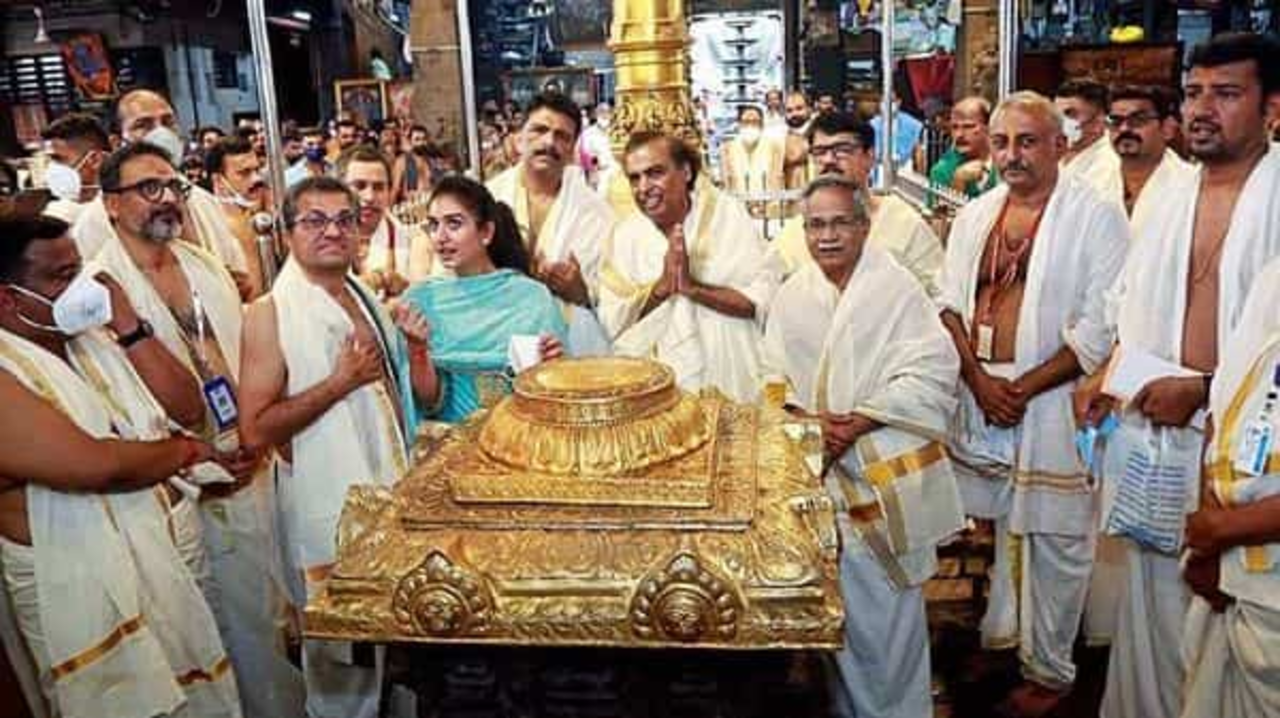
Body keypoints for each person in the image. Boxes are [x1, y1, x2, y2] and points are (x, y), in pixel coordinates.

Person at [1073, 33, 1280, 718]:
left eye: (1226, 94)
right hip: (1154, 433)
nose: (1202, 109)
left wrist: (1203, 389)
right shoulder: (1169, 195)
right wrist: (1107, 373)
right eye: (1194, 93)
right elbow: (1132, 301)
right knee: (1152, 612)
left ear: (1272, 106)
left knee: (1219, 633)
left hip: (1243, 455)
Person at [88, 142, 306, 718]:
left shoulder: (204, 264)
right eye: (148, 189)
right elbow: (113, 404)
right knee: (208, 627)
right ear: (111, 204)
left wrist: (255, 431)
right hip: (177, 485)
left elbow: (246, 357)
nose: (167, 200)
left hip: (249, 462)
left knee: (269, 615)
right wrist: (194, 459)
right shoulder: (97, 288)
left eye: (174, 187)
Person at [0, 212, 240, 718]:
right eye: (62, 277)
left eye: (79, 268)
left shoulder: (92, 340)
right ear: (8, 299)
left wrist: (129, 325)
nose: (81, 285)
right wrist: (188, 452)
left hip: (161, 558)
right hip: (80, 592)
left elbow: (188, 409)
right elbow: (92, 464)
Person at [938, 91, 1128, 717]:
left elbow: (1102, 323)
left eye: (1027, 141)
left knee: (1055, 538)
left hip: (1049, 403)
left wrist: (1024, 386)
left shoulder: (1096, 216)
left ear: (1059, 145)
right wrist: (978, 380)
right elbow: (948, 304)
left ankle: (1051, 673)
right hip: (985, 394)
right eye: (1001, 142)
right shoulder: (977, 214)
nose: (1012, 155)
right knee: (997, 528)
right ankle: (1006, 637)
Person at [762, 176, 965, 718]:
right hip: (820, 484)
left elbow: (933, 371)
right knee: (840, 628)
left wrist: (857, 423)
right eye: (815, 224)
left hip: (882, 482)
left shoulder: (895, 290)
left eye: (838, 222)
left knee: (889, 632)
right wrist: (808, 424)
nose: (826, 236)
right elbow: (770, 379)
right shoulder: (793, 294)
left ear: (863, 225)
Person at [238, 177, 427, 718]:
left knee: (395, 659)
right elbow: (255, 430)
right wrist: (338, 383)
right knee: (342, 674)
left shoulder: (364, 294)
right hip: (325, 513)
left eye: (345, 219)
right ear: (288, 232)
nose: (333, 231)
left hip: (385, 501)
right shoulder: (269, 314)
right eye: (315, 221)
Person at [599, 133, 777, 403]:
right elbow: (612, 321)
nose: (644, 187)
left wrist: (693, 288)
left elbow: (762, 299)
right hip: (654, 389)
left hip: (731, 374)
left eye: (655, 173)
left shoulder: (727, 217)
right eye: (634, 178)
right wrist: (660, 289)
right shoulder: (625, 238)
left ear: (685, 171)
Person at [1180, 258, 1280, 718]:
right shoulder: (1273, 277)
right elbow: (1226, 394)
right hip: (1233, 566)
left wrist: (1225, 530)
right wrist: (1212, 538)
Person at [400, 176, 565, 422]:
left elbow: (555, 394)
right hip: (449, 447)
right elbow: (428, 402)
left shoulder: (531, 298)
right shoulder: (422, 300)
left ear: (486, 232)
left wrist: (552, 366)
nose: (440, 237)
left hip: (520, 439)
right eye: (433, 225)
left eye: (454, 224)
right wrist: (417, 350)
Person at [72, 90, 251, 291]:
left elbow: (236, 271)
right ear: (116, 143)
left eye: (168, 122)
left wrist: (232, 286)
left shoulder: (204, 201)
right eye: (143, 125)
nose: (161, 133)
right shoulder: (94, 223)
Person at [487, 92, 615, 356]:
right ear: (519, 137)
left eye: (562, 136)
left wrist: (581, 292)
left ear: (572, 148)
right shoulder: (487, 198)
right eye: (540, 130)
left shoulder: (595, 214)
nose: (549, 142)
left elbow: (613, 298)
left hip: (568, 345)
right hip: (495, 337)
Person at [769, 112, 944, 296]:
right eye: (819, 152)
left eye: (842, 149)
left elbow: (938, 296)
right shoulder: (793, 232)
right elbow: (767, 293)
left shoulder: (904, 224)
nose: (829, 160)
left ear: (869, 157)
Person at [338, 145, 436, 298]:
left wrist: (404, 289)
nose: (369, 197)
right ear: (339, 189)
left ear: (389, 191)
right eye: (359, 186)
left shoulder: (413, 242)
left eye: (378, 187)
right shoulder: (317, 244)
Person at [1098, 84, 1193, 223]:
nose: (1124, 129)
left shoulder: (1191, 185)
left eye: (1138, 120)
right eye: (1116, 122)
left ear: (1168, 128)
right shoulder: (1092, 181)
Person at [206, 136, 271, 299]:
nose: (256, 179)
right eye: (245, 173)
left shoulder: (261, 218)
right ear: (218, 181)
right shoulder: (212, 227)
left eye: (257, 170)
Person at [40, 112, 110, 224]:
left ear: (95, 160)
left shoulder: (122, 211)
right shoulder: (53, 214)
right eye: (48, 160)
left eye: (58, 159)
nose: (51, 167)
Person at [1055, 78, 1121, 194]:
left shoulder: (1110, 165)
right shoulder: (1055, 155)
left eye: (1070, 114)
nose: (1061, 122)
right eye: (1056, 114)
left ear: (1098, 121)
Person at [929, 96, 998, 199]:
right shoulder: (941, 171)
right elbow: (938, 214)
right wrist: (957, 183)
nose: (959, 134)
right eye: (954, 127)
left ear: (989, 127)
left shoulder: (1006, 163)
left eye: (968, 126)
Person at [719, 105, 785, 196]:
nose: (750, 125)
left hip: (768, 203)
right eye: (746, 122)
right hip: (736, 204)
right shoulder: (727, 148)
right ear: (739, 124)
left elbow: (776, 179)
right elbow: (726, 182)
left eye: (755, 122)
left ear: (762, 124)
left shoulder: (775, 146)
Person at [781, 91, 814, 191]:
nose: (794, 114)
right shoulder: (779, 139)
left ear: (809, 109)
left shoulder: (821, 134)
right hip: (791, 197)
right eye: (789, 111)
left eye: (799, 108)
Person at [392, 124, 434, 201]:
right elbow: (395, 189)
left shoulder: (431, 162)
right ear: (410, 141)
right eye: (417, 139)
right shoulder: (402, 161)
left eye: (424, 139)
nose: (421, 143)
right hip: (410, 207)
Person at [579, 102, 615, 184]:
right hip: (599, 174)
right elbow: (587, 155)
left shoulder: (615, 131)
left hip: (615, 173)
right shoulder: (588, 133)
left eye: (607, 112)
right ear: (597, 114)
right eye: (602, 112)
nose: (605, 115)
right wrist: (593, 174)